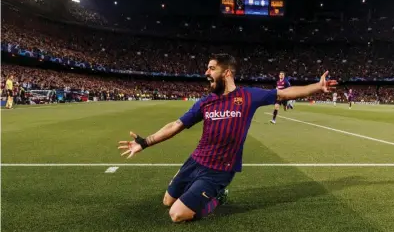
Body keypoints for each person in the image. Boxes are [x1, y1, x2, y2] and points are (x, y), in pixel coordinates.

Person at [118, 54, 337, 223]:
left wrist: (318, 87)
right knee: (167, 201)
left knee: (176, 215)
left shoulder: (248, 96)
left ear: (227, 72)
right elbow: (176, 125)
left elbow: (285, 94)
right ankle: (194, 188)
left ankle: (217, 198)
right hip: (195, 161)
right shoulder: (206, 102)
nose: (206, 72)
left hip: (219, 170)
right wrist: (145, 142)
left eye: (211, 68)